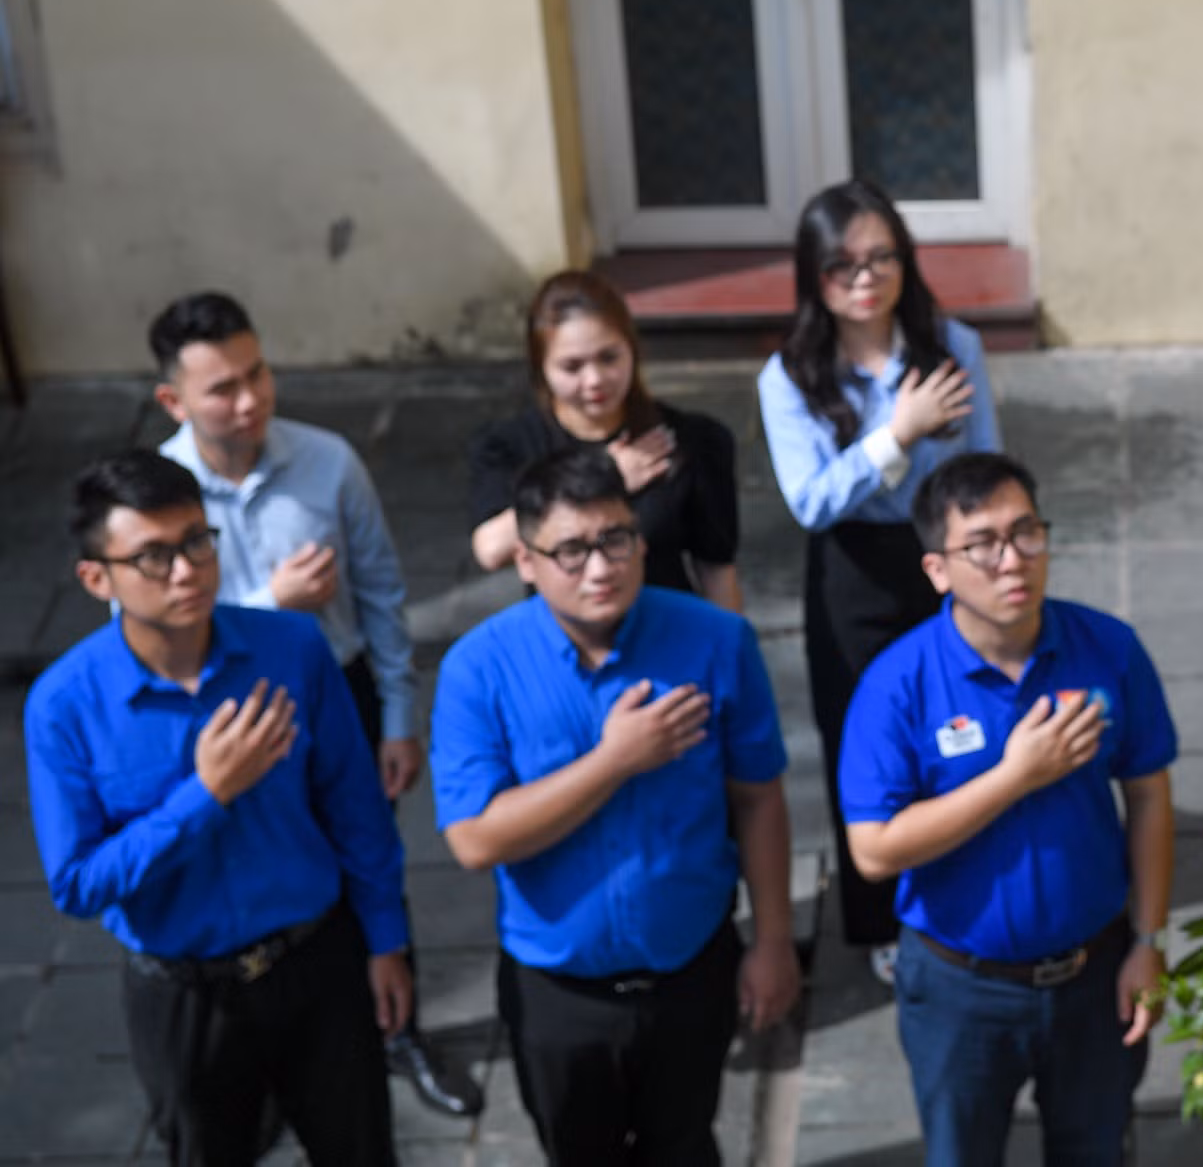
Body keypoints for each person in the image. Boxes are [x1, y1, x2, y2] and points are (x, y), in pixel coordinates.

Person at [147, 291, 482, 1119]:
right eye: (223, 388)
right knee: (253, 874)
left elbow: (382, 594)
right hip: (220, 720)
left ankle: (398, 1028)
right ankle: (272, 1060)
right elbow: (148, 632)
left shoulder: (329, 462)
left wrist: (398, 716)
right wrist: (273, 605)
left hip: (339, 693)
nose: (250, 400)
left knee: (371, 857)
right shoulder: (155, 497)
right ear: (174, 401)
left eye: (258, 373)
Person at [24, 450, 410, 1166]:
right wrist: (206, 795)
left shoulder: (292, 647)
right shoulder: (64, 705)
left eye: (198, 542)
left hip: (317, 964)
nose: (187, 571)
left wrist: (387, 941)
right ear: (96, 578)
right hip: (185, 993)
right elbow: (77, 882)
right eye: (154, 556)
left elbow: (355, 807)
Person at [430, 448, 800, 1166]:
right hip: (559, 992)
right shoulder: (479, 669)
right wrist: (613, 761)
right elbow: (475, 839)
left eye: (616, 540)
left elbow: (759, 797)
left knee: (686, 1145)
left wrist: (775, 941)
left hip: (691, 972)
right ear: (526, 561)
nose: (600, 568)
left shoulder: (716, 639)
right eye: (571, 550)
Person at [840, 452, 1177, 1167]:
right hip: (960, 991)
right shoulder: (896, 684)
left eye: (1026, 532)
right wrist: (1015, 777)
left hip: (1095, 974)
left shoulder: (1108, 648)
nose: (1012, 560)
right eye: (982, 544)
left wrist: (1148, 941)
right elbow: (873, 850)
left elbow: (1148, 793)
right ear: (937, 570)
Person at [758, 179, 1002, 982]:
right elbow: (811, 501)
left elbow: (983, 465)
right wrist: (897, 435)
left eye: (881, 257)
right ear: (814, 275)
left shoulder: (954, 345)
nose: (864, 278)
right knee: (865, 734)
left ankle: (968, 878)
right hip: (852, 571)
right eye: (843, 265)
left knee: (960, 716)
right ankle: (880, 920)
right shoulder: (791, 375)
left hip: (940, 555)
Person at [469, 269, 742, 610]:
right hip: (562, 636)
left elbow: (716, 569)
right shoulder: (511, 445)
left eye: (609, 358)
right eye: (572, 367)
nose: (595, 380)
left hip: (667, 629)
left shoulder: (692, 440)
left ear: (632, 350)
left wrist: (732, 641)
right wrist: (604, 474)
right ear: (542, 369)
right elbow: (491, 549)